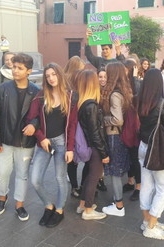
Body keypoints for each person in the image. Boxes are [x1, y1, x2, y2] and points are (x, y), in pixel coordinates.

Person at [24, 63, 77, 228]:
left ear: (60, 75)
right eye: (48, 76)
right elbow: (32, 119)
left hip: (61, 142)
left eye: (54, 74)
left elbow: (72, 125)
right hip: (44, 143)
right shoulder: (41, 96)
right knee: (35, 180)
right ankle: (49, 205)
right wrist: (41, 137)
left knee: (60, 178)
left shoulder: (70, 97)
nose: (51, 78)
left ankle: (59, 210)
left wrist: (70, 148)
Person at [0, 53, 40, 222]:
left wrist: (34, 124)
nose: (15, 70)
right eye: (13, 66)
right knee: (2, 172)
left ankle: (19, 205)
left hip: (25, 142)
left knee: (22, 174)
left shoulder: (36, 91)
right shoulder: (3, 89)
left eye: (20, 68)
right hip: (4, 139)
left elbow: (41, 114)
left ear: (29, 71)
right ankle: (1, 199)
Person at [135, 68, 164, 240]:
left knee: (146, 185)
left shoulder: (139, 100)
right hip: (157, 151)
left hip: (143, 147)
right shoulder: (162, 104)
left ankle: (147, 220)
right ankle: (151, 226)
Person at [75, 70, 110, 220]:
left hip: (89, 147)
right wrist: (104, 153)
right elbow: (95, 133)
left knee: (90, 176)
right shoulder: (91, 105)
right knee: (94, 177)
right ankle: (88, 210)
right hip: (95, 148)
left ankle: (83, 204)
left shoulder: (82, 103)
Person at [100, 62, 133, 217]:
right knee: (118, 169)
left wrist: (103, 120)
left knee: (115, 171)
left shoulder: (114, 95)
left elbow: (117, 119)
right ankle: (117, 202)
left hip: (114, 134)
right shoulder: (125, 91)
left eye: (107, 73)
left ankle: (119, 205)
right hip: (122, 135)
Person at [63, 56, 86, 198]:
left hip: (64, 122)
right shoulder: (76, 82)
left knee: (70, 153)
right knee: (75, 151)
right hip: (75, 122)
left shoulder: (63, 80)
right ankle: (76, 186)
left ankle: (74, 185)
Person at [122, 59, 142, 201]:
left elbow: (137, 97)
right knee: (129, 156)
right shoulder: (123, 84)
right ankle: (130, 181)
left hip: (134, 123)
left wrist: (135, 78)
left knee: (135, 158)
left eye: (125, 68)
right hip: (126, 122)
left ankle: (139, 187)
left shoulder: (137, 83)